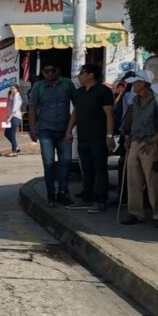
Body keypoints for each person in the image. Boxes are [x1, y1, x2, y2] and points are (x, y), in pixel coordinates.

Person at [65, 63, 115, 213]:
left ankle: (101, 200)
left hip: (99, 137)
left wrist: (109, 135)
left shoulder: (103, 91)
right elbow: (75, 113)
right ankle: (86, 198)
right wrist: (69, 130)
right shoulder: (79, 92)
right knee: (87, 170)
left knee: (100, 169)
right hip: (83, 136)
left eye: (82, 73)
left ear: (91, 75)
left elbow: (109, 115)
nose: (80, 76)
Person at [120, 70, 158, 226]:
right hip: (135, 141)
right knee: (133, 179)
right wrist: (129, 138)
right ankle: (135, 212)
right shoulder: (135, 100)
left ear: (144, 83)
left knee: (153, 180)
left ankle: (157, 214)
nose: (133, 85)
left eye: (136, 83)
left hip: (151, 142)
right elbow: (135, 122)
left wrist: (157, 144)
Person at [28, 65, 76, 207]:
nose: (49, 73)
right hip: (45, 130)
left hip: (64, 130)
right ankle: (51, 195)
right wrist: (32, 129)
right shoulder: (39, 86)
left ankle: (63, 193)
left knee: (65, 163)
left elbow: (78, 104)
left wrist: (70, 127)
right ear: (42, 73)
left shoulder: (67, 84)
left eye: (52, 70)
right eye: (46, 71)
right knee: (48, 164)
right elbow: (32, 107)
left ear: (58, 70)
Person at [4, 84, 23, 156]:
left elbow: (14, 109)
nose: (11, 90)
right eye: (11, 88)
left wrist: (9, 118)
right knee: (6, 133)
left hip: (15, 117)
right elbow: (8, 106)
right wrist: (9, 96)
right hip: (12, 117)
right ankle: (16, 147)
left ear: (17, 89)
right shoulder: (12, 96)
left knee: (12, 134)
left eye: (13, 88)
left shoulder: (17, 96)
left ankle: (14, 151)